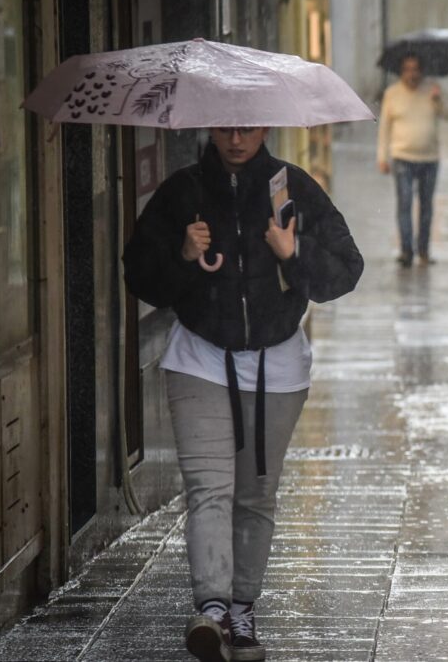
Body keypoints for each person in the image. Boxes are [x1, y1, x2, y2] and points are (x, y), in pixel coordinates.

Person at [123, 126, 363, 662]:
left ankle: (241, 610)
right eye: (226, 128)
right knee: (209, 488)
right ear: (210, 128)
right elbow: (139, 276)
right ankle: (210, 610)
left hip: (277, 368)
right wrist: (184, 255)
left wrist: (292, 250)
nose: (235, 139)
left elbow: (346, 271)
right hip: (199, 362)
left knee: (254, 496)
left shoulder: (293, 187)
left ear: (264, 128)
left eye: (247, 128)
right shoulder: (183, 191)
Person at [377, 53, 446, 267]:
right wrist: (382, 156)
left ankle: (423, 250)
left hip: (429, 158)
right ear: (401, 72)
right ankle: (406, 250)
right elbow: (385, 127)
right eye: (407, 69)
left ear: (421, 71)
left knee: (426, 206)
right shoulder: (392, 94)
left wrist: (438, 100)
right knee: (405, 204)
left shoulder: (432, 90)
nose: (412, 74)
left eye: (415, 69)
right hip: (402, 157)